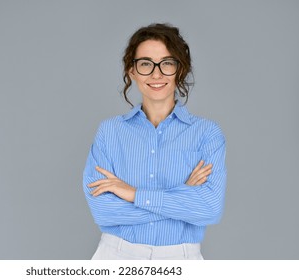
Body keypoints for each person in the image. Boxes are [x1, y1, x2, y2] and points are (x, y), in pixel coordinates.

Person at [83, 23, 226, 260]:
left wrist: (133, 194)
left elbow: (209, 209)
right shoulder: (109, 132)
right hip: (116, 256)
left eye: (167, 63)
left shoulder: (207, 133)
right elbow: (104, 212)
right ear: (132, 71)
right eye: (146, 64)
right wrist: (182, 195)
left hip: (181, 259)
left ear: (180, 70)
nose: (156, 74)